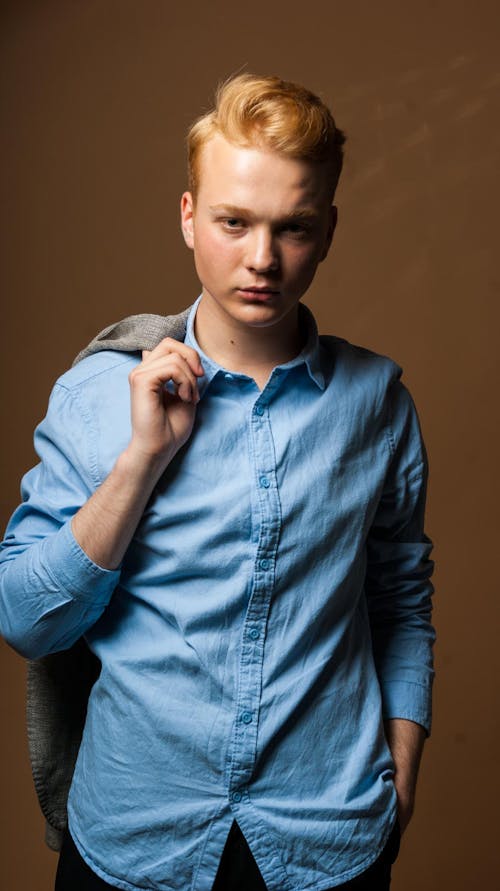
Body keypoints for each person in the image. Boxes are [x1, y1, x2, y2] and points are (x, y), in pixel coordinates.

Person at [0, 73, 435, 891]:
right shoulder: (98, 394)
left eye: (293, 228)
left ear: (328, 230)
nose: (262, 259)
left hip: (329, 838)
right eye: (234, 222)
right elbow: (24, 618)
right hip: (134, 839)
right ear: (190, 216)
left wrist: (402, 769)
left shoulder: (378, 403)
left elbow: (401, 598)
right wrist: (140, 460)